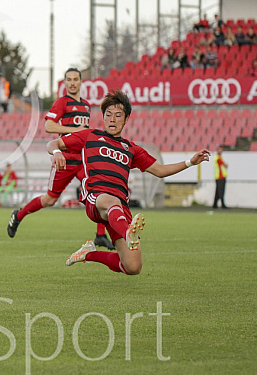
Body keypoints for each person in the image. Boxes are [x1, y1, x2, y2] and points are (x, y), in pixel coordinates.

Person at [47, 89, 210, 275]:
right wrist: (58, 153)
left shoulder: (131, 149)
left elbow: (160, 170)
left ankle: (89, 254)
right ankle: (128, 233)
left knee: (132, 267)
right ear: (103, 117)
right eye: (108, 115)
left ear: (126, 120)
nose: (113, 119)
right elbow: (52, 144)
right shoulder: (89, 136)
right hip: (97, 199)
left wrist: (190, 162)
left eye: (118, 115)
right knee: (111, 201)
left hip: (119, 210)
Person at [7, 68, 114, 249]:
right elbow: (49, 126)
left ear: (81, 82)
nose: (72, 82)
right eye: (69, 80)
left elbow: (83, 133)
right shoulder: (61, 103)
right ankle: (18, 215)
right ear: (65, 83)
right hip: (63, 159)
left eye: (75, 79)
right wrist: (75, 131)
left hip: (81, 159)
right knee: (50, 199)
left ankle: (100, 235)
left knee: (100, 189)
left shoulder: (86, 105)